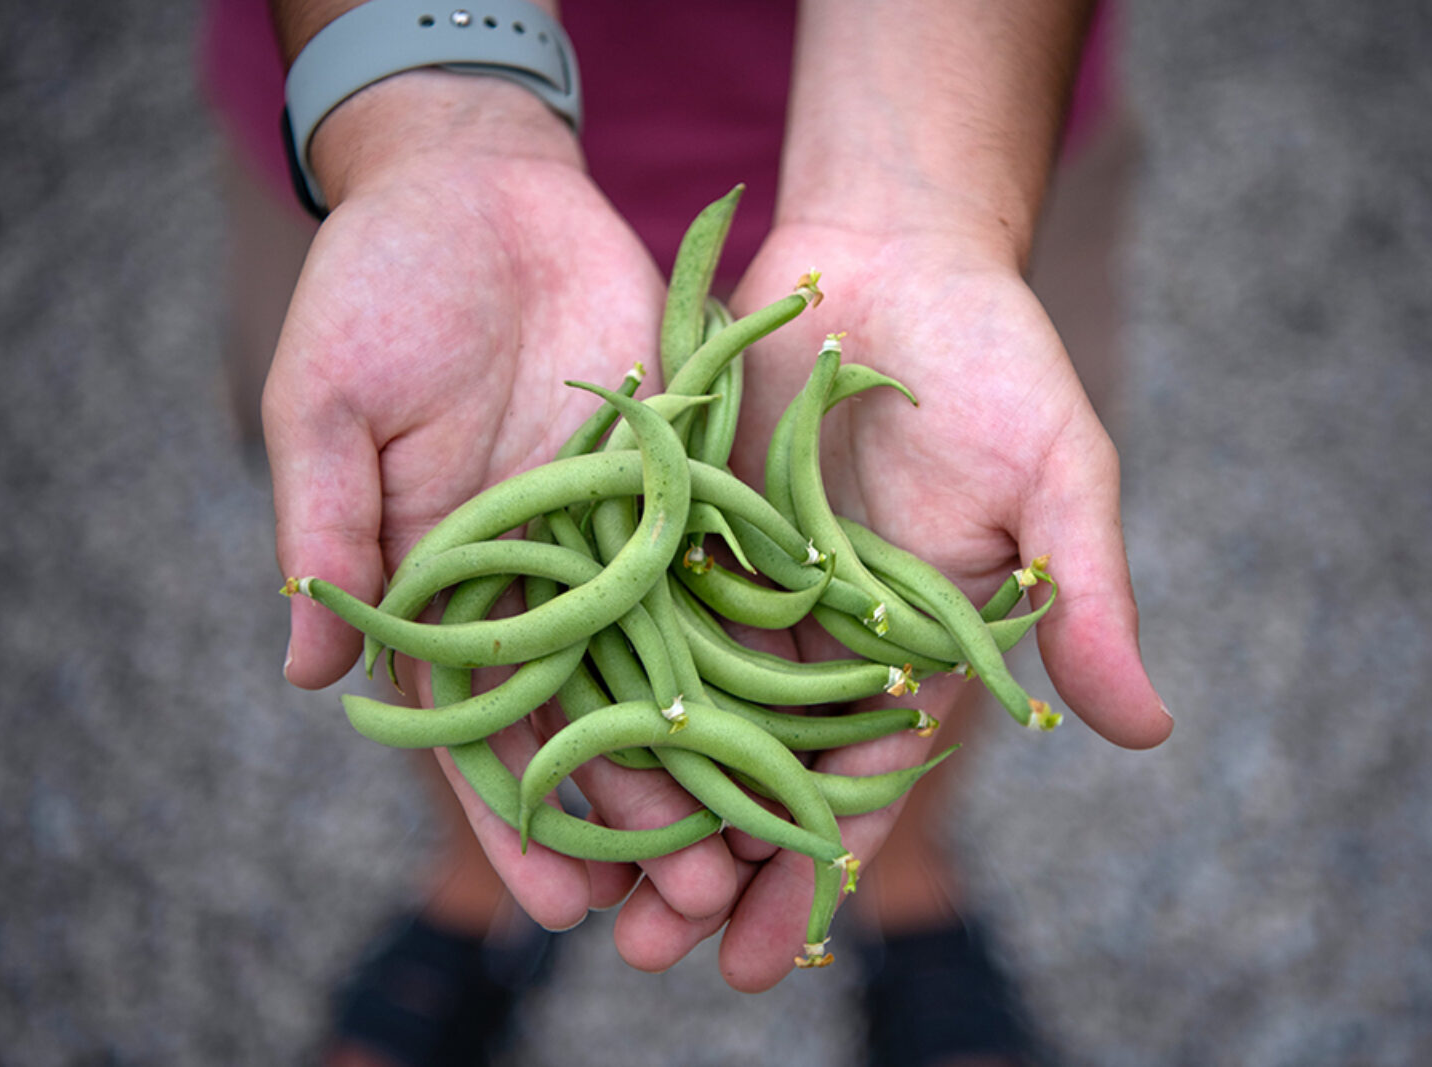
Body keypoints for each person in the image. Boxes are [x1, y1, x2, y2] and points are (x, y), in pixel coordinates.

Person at [202, 1, 1172, 1062]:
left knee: (939, 571)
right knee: (427, 581)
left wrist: (927, 200)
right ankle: (483, 873)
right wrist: (421, 121)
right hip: (381, 112)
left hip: (968, 122)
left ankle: (897, 871)